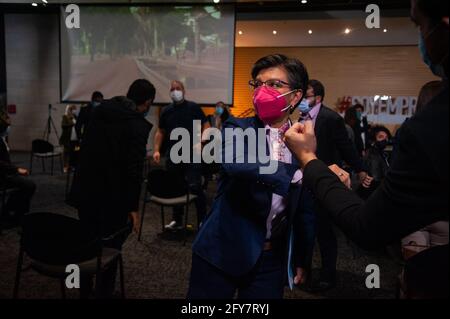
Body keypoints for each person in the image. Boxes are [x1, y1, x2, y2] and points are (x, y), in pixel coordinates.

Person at [284, 0, 449, 298]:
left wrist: (310, 160)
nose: (421, 39)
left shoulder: (430, 128)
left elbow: (368, 227)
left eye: (419, 25)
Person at [188, 54, 346, 299]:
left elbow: (303, 209)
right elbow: (237, 163)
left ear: (295, 96)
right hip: (221, 250)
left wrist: (301, 258)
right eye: (258, 84)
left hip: (270, 260)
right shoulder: (237, 127)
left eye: (273, 84)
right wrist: (301, 173)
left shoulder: (304, 140)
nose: (262, 91)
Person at [70, 79, 155, 298]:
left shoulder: (100, 111)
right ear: (147, 102)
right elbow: (133, 171)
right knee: (112, 244)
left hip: (86, 190)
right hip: (112, 197)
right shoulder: (137, 125)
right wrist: (133, 208)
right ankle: (104, 293)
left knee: (86, 242)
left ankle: (85, 291)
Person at [298, 79, 367, 292]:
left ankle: (328, 275)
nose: (301, 100)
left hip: (325, 181)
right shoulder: (301, 117)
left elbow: (346, 147)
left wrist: (361, 168)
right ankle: (303, 272)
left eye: (306, 96)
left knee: (325, 232)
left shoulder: (330, 118)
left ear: (317, 98)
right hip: (304, 180)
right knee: (304, 228)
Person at [153, 80, 209, 230]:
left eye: (178, 88)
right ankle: (177, 220)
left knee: (195, 187)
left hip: (192, 154)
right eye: (172, 89)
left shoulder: (193, 107)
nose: (175, 91)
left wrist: (202, 142)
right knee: (175, 188)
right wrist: (157, 149)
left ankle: (203, 221)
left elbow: (206, 125)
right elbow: (160, 131)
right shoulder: (166, 111)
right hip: (173, 155)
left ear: (183, 91)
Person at [0, 114, 36, 227]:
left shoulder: (2, 139)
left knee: (26, 186)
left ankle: (13, 212)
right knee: (29, 186)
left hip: (6, 172)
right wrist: (17, 169)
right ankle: (15, 214)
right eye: (8, 124)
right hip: (3, 175)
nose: (10, 127)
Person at [357, 126, 392, 200]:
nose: (384, 140)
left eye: (386, 137)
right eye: (380, 137)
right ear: (373, 141)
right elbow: (376, 180)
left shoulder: (380, 153)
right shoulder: (373, 156)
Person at [59, 105, 78, 173]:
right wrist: (72, 124)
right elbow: (63, 125)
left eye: (75, 109)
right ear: (70, 110)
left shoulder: (75, 117)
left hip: (74, 137)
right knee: (66, 152)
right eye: (73, 109)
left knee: (73, 152)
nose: (74, 110)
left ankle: (71, 166)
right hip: (67, 138)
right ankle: (65, 166)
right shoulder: (65, 116)